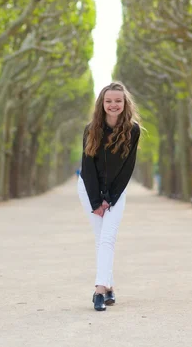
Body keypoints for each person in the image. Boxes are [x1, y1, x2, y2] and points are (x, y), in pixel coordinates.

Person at [77, 81, 141, 311]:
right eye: (109, 101)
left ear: (125, 104)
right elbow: (87, 168)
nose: (113, 105)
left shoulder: (133, 131)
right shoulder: (90, 129)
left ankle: (99, 290)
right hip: (89, 190)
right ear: (102, 104)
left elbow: (127, 169)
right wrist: (96, 201)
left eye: (118, 101)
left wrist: (110, 199)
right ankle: (109, 286)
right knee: (101, 239)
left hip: (116, 193)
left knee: (107, 238)